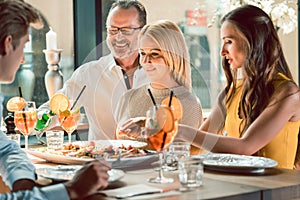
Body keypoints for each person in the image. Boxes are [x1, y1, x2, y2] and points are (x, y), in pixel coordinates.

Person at [0, 0, 111, 199]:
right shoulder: (89, 72)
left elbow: (5, 148)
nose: (23, 59)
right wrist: (72, 190)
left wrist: (22, 179)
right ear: (8, 44)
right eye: (25, 46)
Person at [173, 5, 300, 169]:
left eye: (229, 41)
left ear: (254, 41)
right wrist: (147, 143)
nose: (222, 52)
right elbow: (196, 146)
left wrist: (182, 131)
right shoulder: (230, 93)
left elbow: (245, 147)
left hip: (274, 192)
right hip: (241, 187)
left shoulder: (288, 93)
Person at [38, 0, 149, 140]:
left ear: (143, 32)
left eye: (126, 30)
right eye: (112, 30)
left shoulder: (160, 72)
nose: (118, 37)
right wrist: (38, 120)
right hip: (102, 160)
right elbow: (50, 110)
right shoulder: (88, 74)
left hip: (151, 160)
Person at [115, 20, 203, 142]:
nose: (145, 61)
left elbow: (181, 153)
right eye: (142, 53)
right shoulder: (127, 98)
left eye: (155, 54)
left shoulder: (189, 104)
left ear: (173, 56)